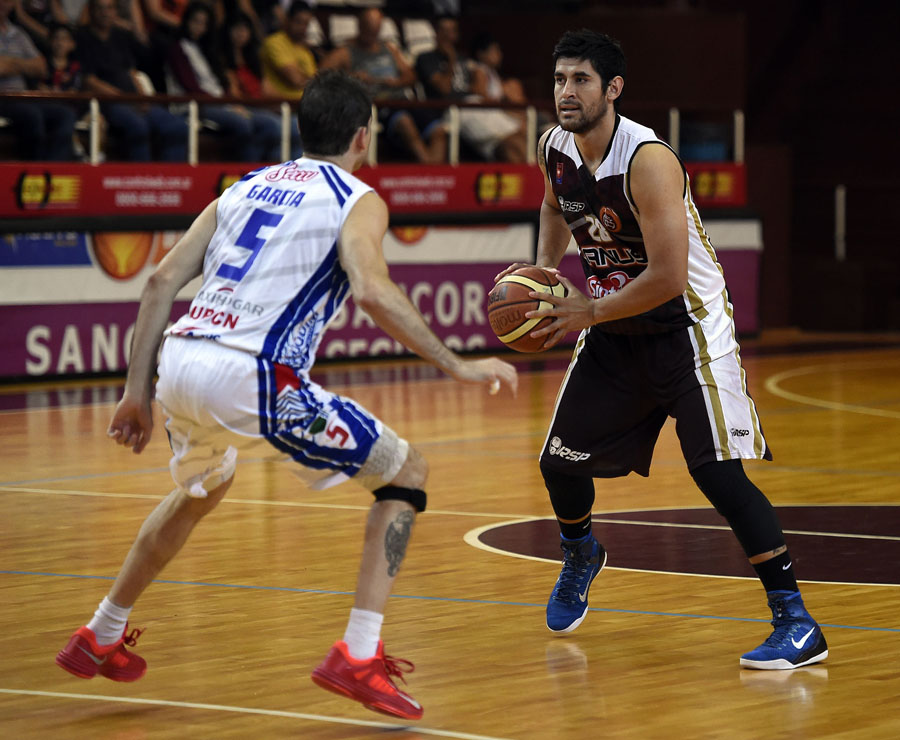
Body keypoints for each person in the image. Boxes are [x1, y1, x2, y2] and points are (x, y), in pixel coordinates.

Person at [54, 69, 518, 719]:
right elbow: (372, 291)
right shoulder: (358, 197)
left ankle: (101, 631)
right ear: (363, 137)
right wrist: (456, 364)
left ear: (302, 130)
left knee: (203, 488)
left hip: (180, 362)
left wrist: (136, 392)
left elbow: (159, 281)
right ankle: (359, 654)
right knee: (406, 473)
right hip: (252, 374)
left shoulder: (241, 188)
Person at [496, 29, 827, 671]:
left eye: (581, 80)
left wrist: (587, 309)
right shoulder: (553, 146)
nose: (566, 92)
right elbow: (554, 209)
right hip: (616, 326)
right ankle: (581, 553)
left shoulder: (647, 160)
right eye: (560, 79)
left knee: (717, 473)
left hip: (685, 328)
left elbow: (670, 276)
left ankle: (796, 621)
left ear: (613, 88)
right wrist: (544, 275)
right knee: (560, 463)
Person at [320, 7, 445, 164]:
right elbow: (321, 75)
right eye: (369, 30)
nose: (372, 35)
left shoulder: (389, 49)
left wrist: (397, 82)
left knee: (439, 129)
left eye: (376, 30)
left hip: (401, 99)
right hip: (376, 105)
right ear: (360, 26)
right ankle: (427, 167)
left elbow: (411, 76)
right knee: (405, 122)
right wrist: (350, 77)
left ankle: (435, 171)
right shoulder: (345, 51)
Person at [166, 1, 281, 162]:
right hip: (196, 105)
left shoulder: (207, 49)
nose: (200, 27)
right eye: (196, 21)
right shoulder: (177, 48)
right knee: (241, 123)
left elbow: (221, 82)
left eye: (204, 23)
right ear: (186, 21)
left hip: (220, 103)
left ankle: (259, 171)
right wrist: (223, 103)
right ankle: (245, 172)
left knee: (270, 124)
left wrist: (230, 102)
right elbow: (190, 87)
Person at [76, 0, 187, 161]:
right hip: (105, 102)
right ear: (91, 11)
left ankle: (170, 175)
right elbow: (89, 80)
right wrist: (123, 98)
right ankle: (141, 174)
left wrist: (141, 97)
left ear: (115, 12)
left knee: (177, 126)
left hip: (132, 98)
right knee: (138, 126)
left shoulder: (120, 36)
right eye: (100, 8)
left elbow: (131, 71)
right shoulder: (83, 37)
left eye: (109, 8)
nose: (105, 13)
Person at [414, 15, 525, 163]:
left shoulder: (465, 59)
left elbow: (478, 89)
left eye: (452, 31)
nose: (448, 36)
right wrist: (451, 60)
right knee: (507, 141)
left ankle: (535, 177)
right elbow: (444, 88)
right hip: (456, 110)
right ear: (436, 33)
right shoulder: (426, 58)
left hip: (477, 104)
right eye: (444, 31)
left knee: (520, 135)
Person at [0, 0, 76, 160]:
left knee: (65, 114)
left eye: (7, 0)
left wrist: (10, 63)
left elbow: (41, 67)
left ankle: (53, 167)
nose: (3, 4)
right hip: (3, 97)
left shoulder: (18, 33)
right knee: (31, 114)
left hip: (23, 96)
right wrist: (23, 64)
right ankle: (34, 166)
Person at [260, 0, 315, 101]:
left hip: (306, 103)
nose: (303, 28)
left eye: (306, 24)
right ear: (287, 20)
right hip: (283, 103)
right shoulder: (274, 42)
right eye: (299, 22)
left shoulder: (304, 49)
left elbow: (311, 80)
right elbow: (297, 80)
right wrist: (318, 82)